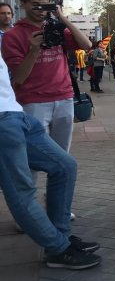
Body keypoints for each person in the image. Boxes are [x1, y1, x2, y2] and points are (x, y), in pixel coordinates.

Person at [0, 52, 101, 269]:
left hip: (16, 114)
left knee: (65, 166)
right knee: (21, 192)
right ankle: (58, 249)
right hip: (3, 123)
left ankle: (60, 238)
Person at [1, 0, 92, 153]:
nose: (40, 10)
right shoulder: (12, 36)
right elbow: (19, 77)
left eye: (45, 5)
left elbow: (86, 44)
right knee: (34, 156)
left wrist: (62, 19)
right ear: (23, 4)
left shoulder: (56, 29)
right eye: (35, 5)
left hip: (64, 97)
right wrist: (34, 50)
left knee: (62, 156)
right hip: (33, 101)